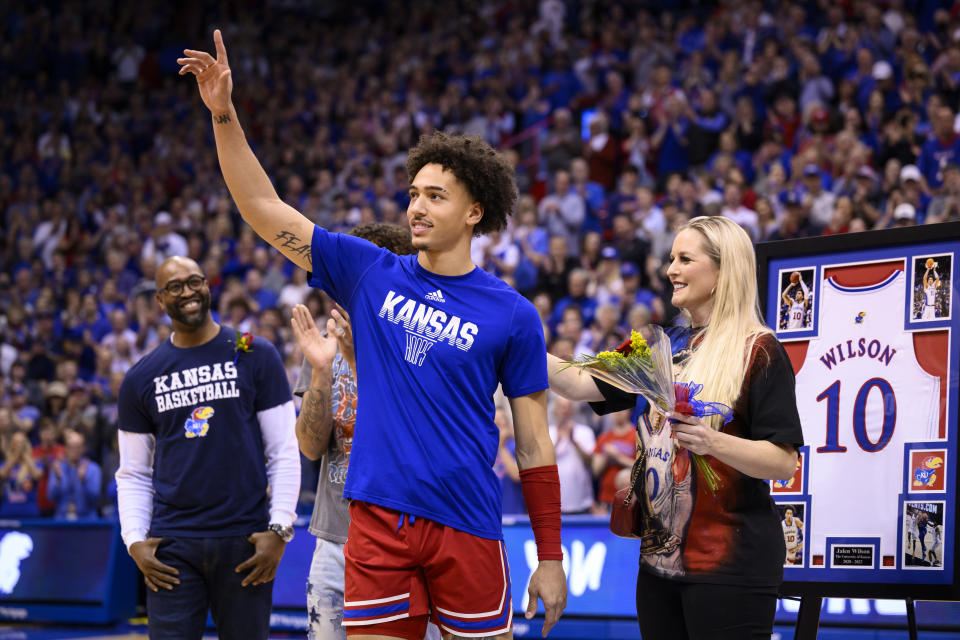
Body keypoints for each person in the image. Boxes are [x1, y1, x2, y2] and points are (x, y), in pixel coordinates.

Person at [179, 31, 566, 639]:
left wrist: (551, 556)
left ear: (474, 213)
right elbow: (262, 205)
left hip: (467, 523)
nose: (417, 206)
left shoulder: (512, 312)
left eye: (436, 197)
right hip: (377, 521)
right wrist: (223, 112)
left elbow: (536, 448)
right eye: (413, 193)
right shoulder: (369, 270)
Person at [546, 216, 803, 639]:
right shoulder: (659, 346)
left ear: (723, 272)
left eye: (685, 259)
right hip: (656, 565)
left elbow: (782, 461)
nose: (671, 270)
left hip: (730, 563)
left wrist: (712, 440)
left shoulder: (760, 350)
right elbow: (576, 381)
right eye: (671, 259)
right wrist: (510, 338)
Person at [115, 256, 300, 640]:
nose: (188, 292)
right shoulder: (141, 377)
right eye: (175, 287)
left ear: (207, 286)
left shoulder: (255, 353)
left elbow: (283, 450)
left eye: (194, 281)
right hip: (173, 545)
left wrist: (280, 528)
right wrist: (134, 540)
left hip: (245, 540)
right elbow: (133, 471)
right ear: (161, 302)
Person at [288, 223, 441, 640]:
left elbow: (414, 439)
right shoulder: (323, 348)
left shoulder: (422, 347)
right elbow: (310, 446)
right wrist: (321, 371)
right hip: (334, 543)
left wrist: (358, 362)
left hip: (407, 544)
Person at [47, 429, 102, 519]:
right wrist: (58, 478)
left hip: (87, 520)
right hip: (62, 520)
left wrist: (84, 480)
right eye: (71, 447)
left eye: (77, 447)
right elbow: (51, 497)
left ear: (83, 448)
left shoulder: (93, 469)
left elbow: (95, 498)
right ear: (66, 448)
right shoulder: (57, 468)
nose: (74, 451)